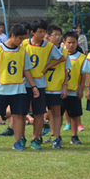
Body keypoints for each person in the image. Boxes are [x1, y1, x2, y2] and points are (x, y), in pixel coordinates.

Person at [0, 24, 39, 150]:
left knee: (18, 115)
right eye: (21, 39)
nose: (22, 42)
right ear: (13, 35)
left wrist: (34, 86)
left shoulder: (22, 51)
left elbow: (26, 70)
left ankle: (17, 142)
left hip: (18, 89)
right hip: (0, 89)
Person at [22, 19, 65, 150]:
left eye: (44, 31)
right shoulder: (24, 44)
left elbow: (61, 58)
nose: (42, 34)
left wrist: (47, 67)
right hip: (23, 83)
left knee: (39, 113)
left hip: (39, 84)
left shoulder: (49, 46)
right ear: (32, 32)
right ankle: (20, 138)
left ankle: (35, 138)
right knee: (21, 113)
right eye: (39, 32)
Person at [44, 25, 71, 148]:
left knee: (56, 112)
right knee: (47, 112)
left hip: (57, 86)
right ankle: (49, 134)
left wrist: (65, 86)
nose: (58, 37)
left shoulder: (64, 51)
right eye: (55, 34)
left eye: (59, 35)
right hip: (43, 85)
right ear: (48, 36)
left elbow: (65, 70)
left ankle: (56, 138)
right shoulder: (44, 49)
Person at [63, 30, 86, 144]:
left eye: (73, 42)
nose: (71, 45)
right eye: (69, 42)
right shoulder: (59, 55)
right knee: (56, 114)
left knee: (74, 114)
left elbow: (83, 75)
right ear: (64, 42)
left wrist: (81, 89)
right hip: (60, 90)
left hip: (74, 90)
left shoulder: (81, 57)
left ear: (77, 43)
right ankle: (54, 135)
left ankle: (74, 136)